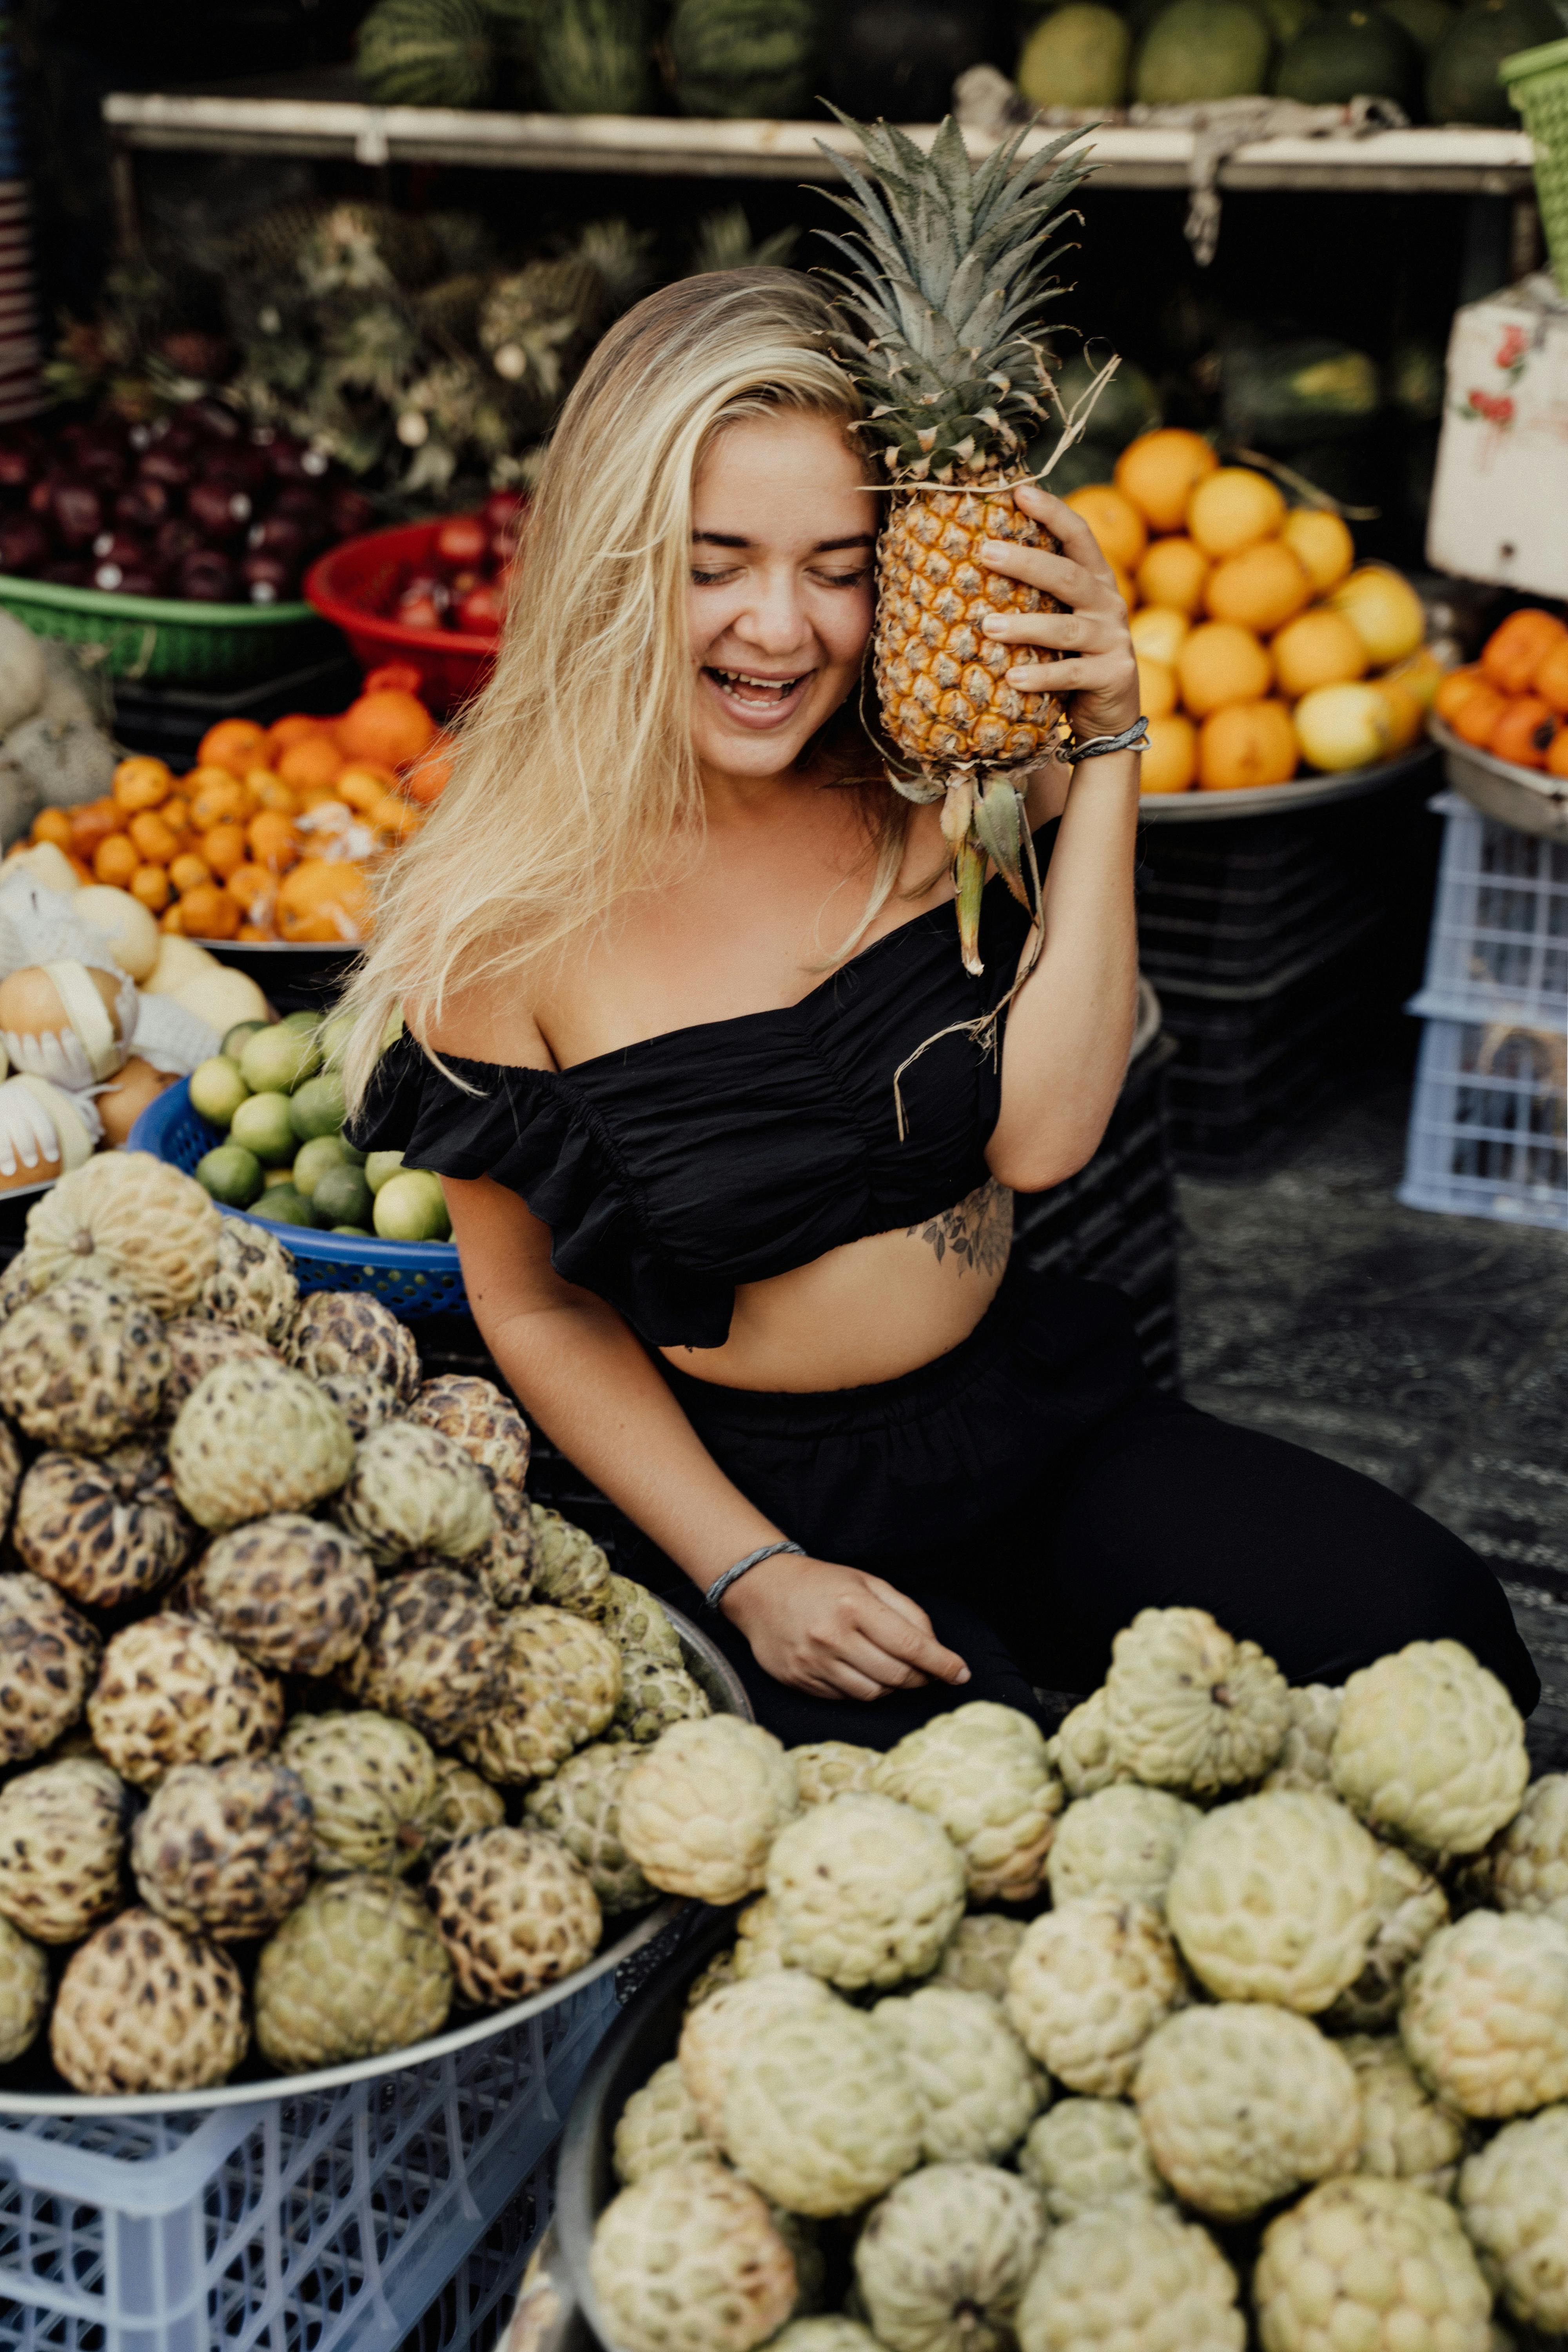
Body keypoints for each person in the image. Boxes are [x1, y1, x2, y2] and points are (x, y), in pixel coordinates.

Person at [344, 269, 1537, 1746]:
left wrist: (1103, 755)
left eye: (838, 567)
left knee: (1439, 1635)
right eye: (715, 562)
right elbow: (534, 1303)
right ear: (612, 554)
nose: (779, 628)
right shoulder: (502, 911)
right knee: (978, 1836)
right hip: (752, 1494)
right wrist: (752, 1572)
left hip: (1024, 1415)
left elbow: (1043, 1139)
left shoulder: (939, 772)